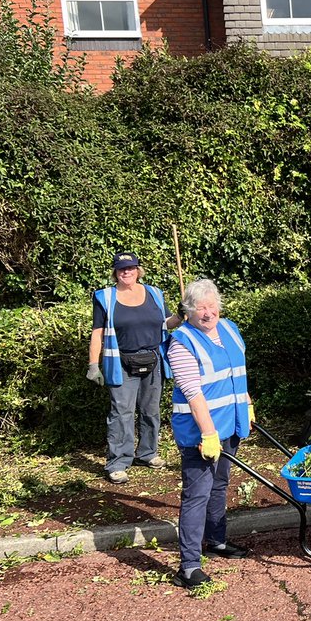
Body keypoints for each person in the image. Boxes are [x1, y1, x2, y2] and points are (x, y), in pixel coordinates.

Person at [167, 278, 253, 588]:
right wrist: (208, 434)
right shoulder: (182, 342)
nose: (208, 313)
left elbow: (236, 374)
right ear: (188, 312)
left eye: (211, 305)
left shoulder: (229, 328)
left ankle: (216, 541)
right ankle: (189, 566)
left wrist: (247, 403)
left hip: (231, 424)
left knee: (220, 484)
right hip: (200, 433)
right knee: (196, 495)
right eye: (200, 308)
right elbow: (193, 394)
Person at [87, 251, 182, 484]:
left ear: (138, 270)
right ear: (115, 272)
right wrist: (93, 365)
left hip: (153, 359)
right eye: (121, 269)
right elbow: (97, 333)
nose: (126, 272)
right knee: (121, 413)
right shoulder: (105, 297)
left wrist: (181, 314)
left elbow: (167, 323)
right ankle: (118, 463)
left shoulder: (155, 293)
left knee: (151, 410)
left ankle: (147, 453)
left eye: (130, 268)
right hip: (121, 362)